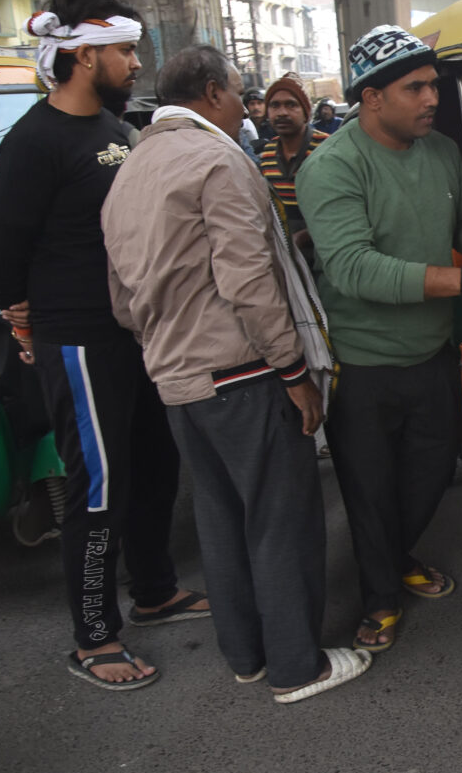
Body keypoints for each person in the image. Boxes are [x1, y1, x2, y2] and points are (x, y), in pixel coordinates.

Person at [101, 44, 371, 704]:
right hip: (244, 373)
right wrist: (292, 369)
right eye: (238, 92)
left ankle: (246, 655)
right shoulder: (218, 159)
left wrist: (171, 344)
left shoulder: (131, 168)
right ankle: (295, 666)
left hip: (176, 379)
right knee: (281, 519)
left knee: (220, 524)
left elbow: (121, 299)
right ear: (215, 93)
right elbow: (249, 280)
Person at [0, 0, 208, 692]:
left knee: (153, 465)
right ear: (82, 56)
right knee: (98, 487)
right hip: (77, 341)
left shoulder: (113, 130)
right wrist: (27, 325)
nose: (135, 62)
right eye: (121, 50)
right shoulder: (32, 141)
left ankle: (155, 590)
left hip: (134, 333)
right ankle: (93, 635)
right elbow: (2, 252)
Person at [296, 24, 462, 654]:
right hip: (363, 364)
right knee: (369, 490)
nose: (431, 98)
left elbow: (455, 248)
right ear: (371, 98)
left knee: (429, 477)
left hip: (433, 354)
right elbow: (353, 269)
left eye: (433, 84)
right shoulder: (331, 167)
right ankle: (379, 598)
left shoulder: (439, 153)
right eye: (415, 88)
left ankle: (396, 555)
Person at [259, 74, 328, 247]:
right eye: (275, 106)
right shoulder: (267, 153)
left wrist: (304, 236)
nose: (282, 112)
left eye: (291, 105)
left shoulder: (328, 148)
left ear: (306, 113)